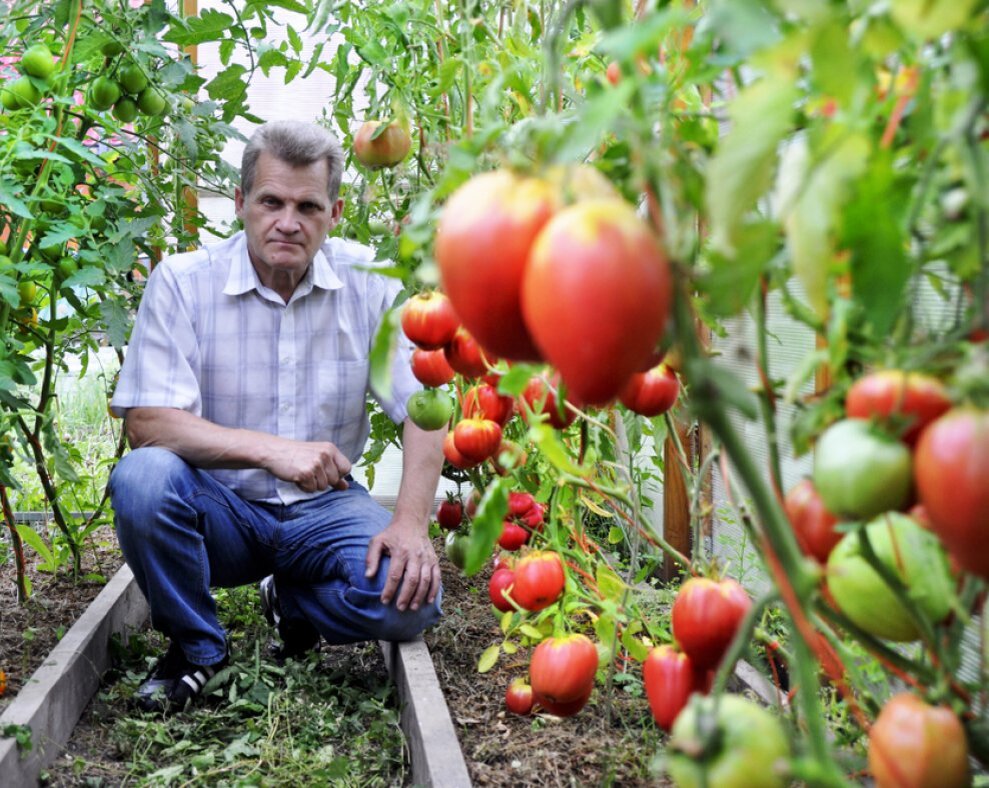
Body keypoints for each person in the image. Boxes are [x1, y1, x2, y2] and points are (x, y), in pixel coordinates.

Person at [109, 120, 445, 713]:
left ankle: (288, 598)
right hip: (219, 510)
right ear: (240, 203)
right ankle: (197, 652)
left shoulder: (366, 282)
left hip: (325, 508)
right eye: (271, 201)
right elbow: (148, 422)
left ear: (335, 212)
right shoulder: (185, 284)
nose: (287, 222)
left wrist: (411, 523)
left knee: (410, 603)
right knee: (143, 480)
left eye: (307, 206)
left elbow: (426, 407)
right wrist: (273, 450)